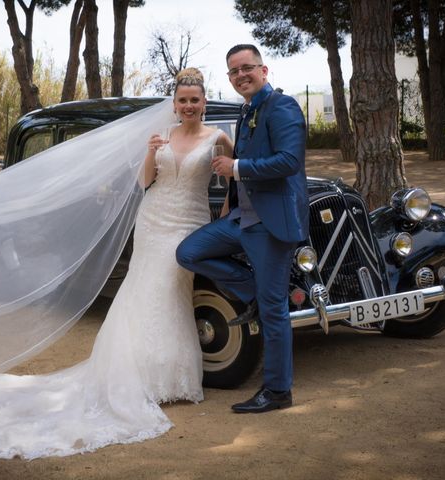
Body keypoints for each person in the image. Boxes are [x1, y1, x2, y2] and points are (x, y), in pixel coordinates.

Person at [0, 68, 234, 459]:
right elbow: (144, 183)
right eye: (183, 100)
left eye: (195, 100)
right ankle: (144, 377)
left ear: (204, 102)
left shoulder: (219, 138)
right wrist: (151, 151)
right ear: (174, 104)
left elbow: (230, 182)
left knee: (174, 291)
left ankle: (170, 374)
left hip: (190, 221)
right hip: (155, 220)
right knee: (147, 291)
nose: (189, 106)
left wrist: (224, 217)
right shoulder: (163, 135)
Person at [176, 45, 308, 414]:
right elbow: (244, 160)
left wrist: (235, 169)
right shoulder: (248, 109)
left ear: (263, 70)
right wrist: (232, 196)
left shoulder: (282, 106)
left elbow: (288, 161)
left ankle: (278, 391)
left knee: (275, 312)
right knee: (187, 253)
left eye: (246, 68)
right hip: (241, 219)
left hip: (269, 224)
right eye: (233, 71)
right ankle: (253, 294)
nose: (240, 75)